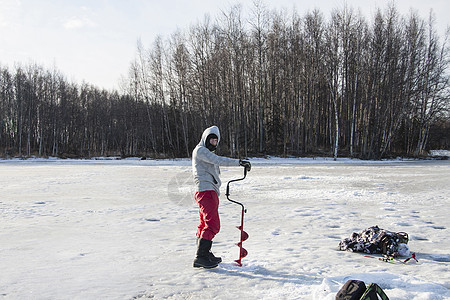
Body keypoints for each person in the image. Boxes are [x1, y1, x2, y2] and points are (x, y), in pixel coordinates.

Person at [192, 125, 251, 268]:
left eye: (215, 141)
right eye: (211, 140)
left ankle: (204, 254)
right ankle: (201, 256)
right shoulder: (201, 151)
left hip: (207, 191)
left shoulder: (203, 152)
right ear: (205, 139)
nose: (213, 143)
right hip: (206, 191)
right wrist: (239, 162)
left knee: (204, 224)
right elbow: (218, 160)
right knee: (213, 225)